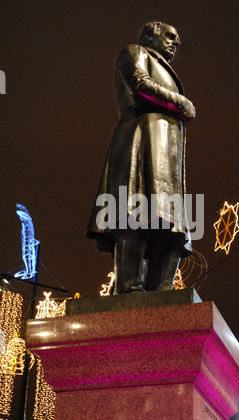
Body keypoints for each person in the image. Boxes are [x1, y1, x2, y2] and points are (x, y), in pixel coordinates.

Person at [86, 22, 196, 294]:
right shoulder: (134, 52)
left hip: (167, 154)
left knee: (169, 222)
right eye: (170, 36)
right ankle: (129, 286)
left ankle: (161, 291)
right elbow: (141, 86)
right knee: (135, 212)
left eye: (177, 40)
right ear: (151, 34)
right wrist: (181, 103)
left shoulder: (162, 65)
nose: (175, 43)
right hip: (141, 138)